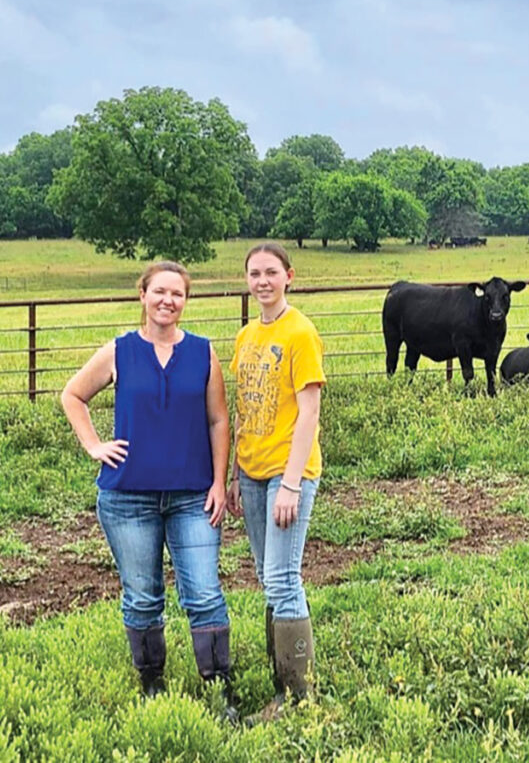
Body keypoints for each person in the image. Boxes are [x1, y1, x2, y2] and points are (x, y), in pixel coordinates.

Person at [61, 261, 235, 717]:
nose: (167, 301)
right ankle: (151, 679)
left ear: (185, 301)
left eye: (177, 294)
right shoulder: (119, 351)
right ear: (142, 295)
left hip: (192, 495)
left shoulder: (202, 352)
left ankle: (220, 689)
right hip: (127, 497)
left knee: (204, 592)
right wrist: (94, 444)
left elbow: (219, 420)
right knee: (142, 593)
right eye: (159, 291)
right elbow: (72, 395)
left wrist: (219, 480)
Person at [226, 242, 325, 723]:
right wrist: (233, 475)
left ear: (290, 276)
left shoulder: (301, 333)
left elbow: (309, 412)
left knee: (284, 578)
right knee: (269, 578)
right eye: (254, 274)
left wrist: (290, 483)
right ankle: (280, 677)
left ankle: (297, 695)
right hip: (251, 470)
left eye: (271, 273)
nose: (262, 281)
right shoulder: (246, 336)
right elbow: (245, 408)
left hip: (288, 474)